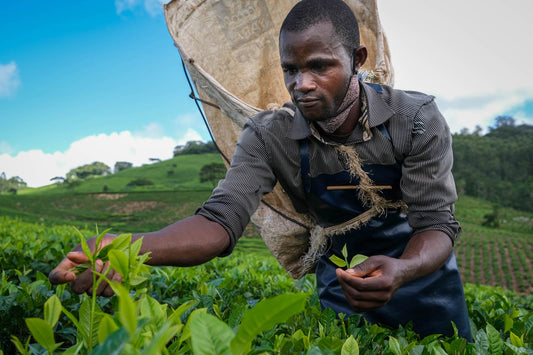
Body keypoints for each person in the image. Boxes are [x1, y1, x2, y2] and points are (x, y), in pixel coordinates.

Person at [50, 0, 472, 340]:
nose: (301, 84)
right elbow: (217, 223)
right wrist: (123, 245)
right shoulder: (269, 135)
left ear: (357, 58)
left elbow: (435, 224)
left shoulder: (414, 117)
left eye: (320, 66)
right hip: (343, 291)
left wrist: (404, 269)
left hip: (426, 287)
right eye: (291, 69)